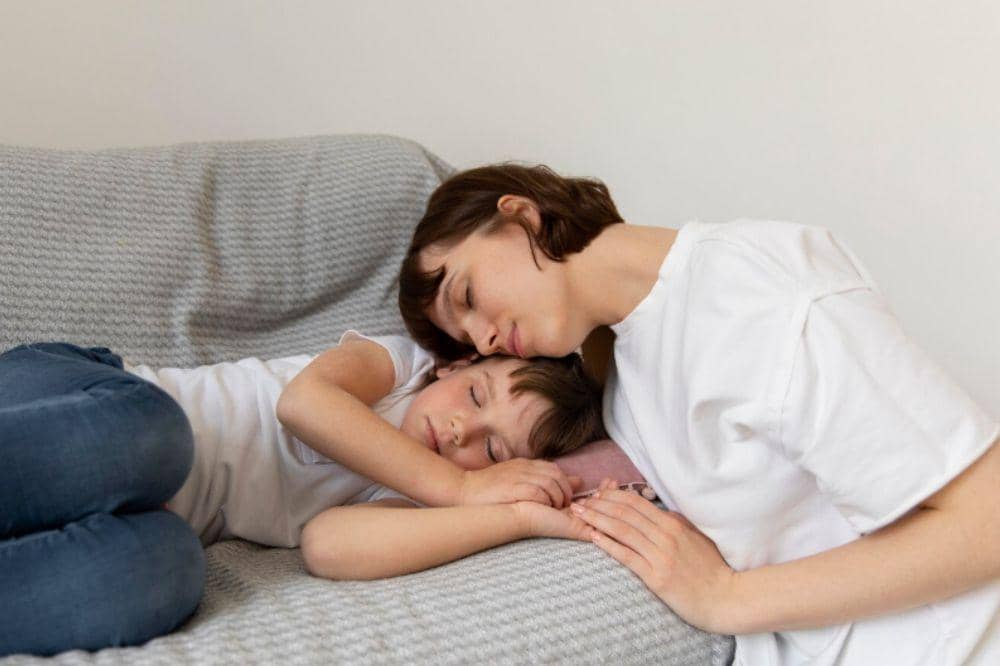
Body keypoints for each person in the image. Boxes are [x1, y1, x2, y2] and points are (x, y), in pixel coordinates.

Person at [397, 163, 1000, 665]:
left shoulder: (759, 295)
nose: (486, 338)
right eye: (469, 342)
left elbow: (988, 521)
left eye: (468, 296)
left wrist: (726, 598)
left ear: (520, 216)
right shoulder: (618, 359)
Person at [0, 330, 605, 657]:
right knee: (161, 438)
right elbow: (302, 405)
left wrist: (516, 517)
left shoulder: (427, 500)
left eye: (493, 450)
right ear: (456, 365)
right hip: (80, 411)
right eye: (475, 397)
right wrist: (465, 481)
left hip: (132, 512)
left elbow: (328, 546)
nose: (460, 431)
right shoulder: (400, 365)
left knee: (168, 570)